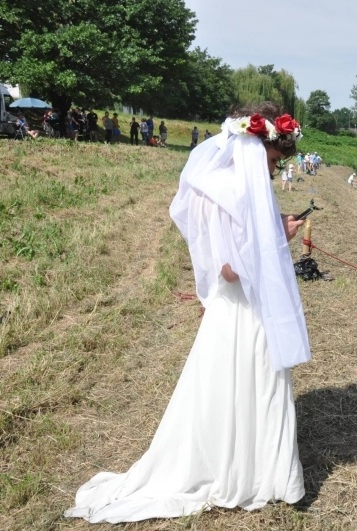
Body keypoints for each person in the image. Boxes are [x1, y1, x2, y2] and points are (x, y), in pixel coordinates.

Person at [65, 102, 309, 523]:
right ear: (254, 147)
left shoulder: (213, 181)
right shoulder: (237, 191)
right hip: (244, 310)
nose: (273, 170)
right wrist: (278, 236)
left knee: (225, 390)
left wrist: (270, 230)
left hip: (229, 310)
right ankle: (251, 474)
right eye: (272, 160)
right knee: (252, 386)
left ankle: (245, 465)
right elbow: (231, 269)